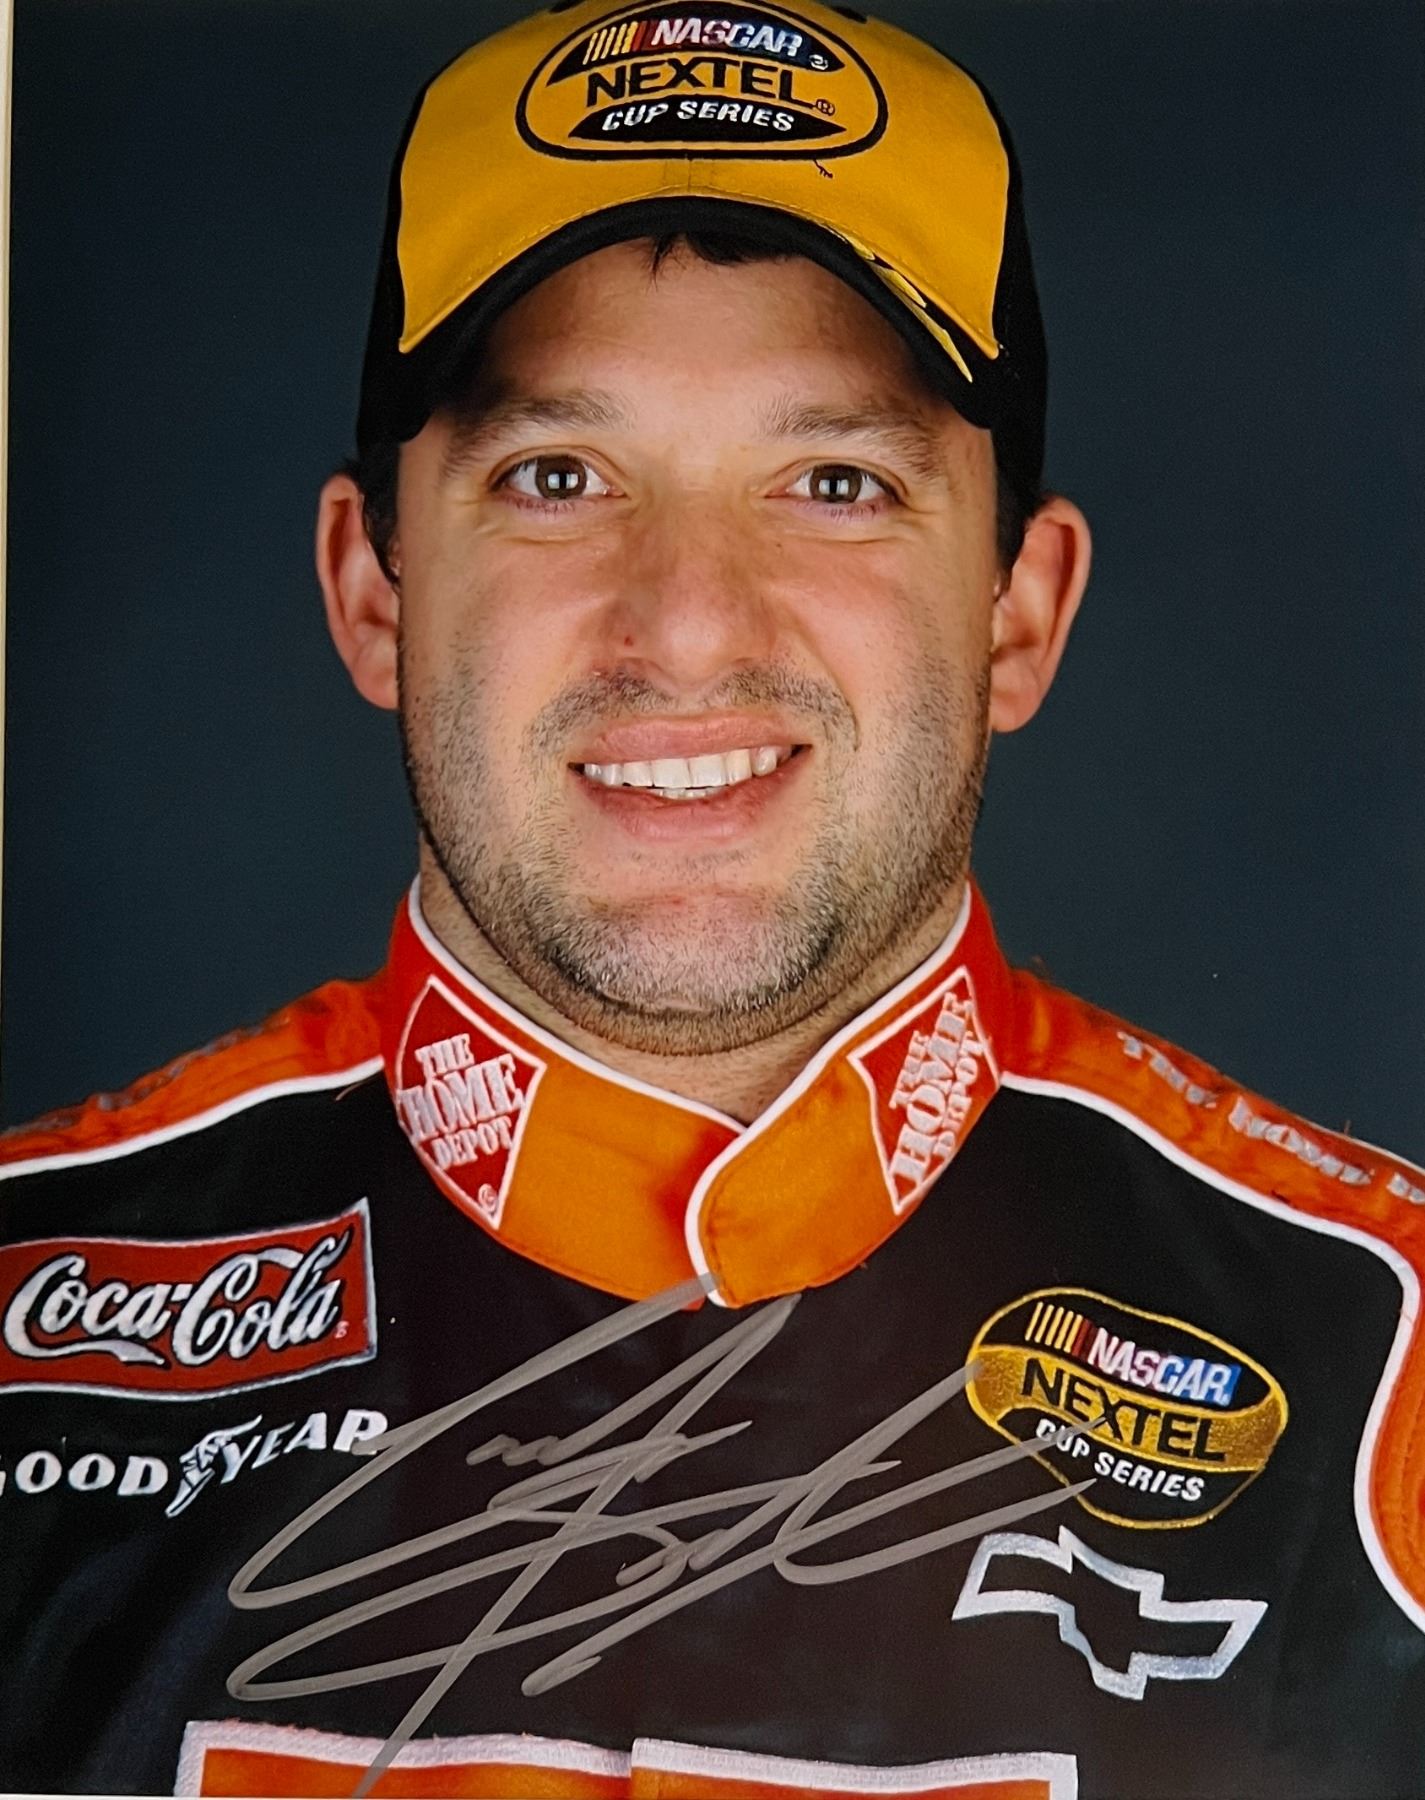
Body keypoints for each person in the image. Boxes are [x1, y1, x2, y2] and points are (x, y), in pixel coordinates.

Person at [2, 3, 1423, 1797]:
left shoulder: (1390, 1368)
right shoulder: (23, 1329)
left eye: (833, 483)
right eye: (556, 477)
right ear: (372, 589)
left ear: (1017, 615)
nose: (683, 624)